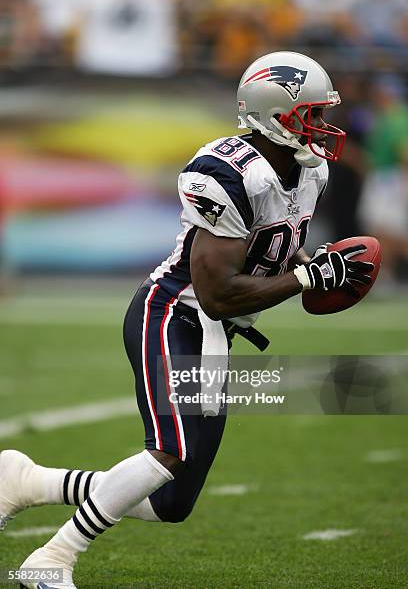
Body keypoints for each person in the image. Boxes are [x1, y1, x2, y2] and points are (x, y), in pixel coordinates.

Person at [0, 51, 373, 589]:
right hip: (174, 315)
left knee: (172, 501)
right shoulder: (227, 171)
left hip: (215, 332)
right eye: (310, 115)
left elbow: (271, 248)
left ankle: (27, 481)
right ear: (275, 116)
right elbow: (216, 293)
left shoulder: (308, 173)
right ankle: (54, 557)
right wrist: (309, 279)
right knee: (168, 453)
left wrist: (310, 266)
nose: (323, 127)